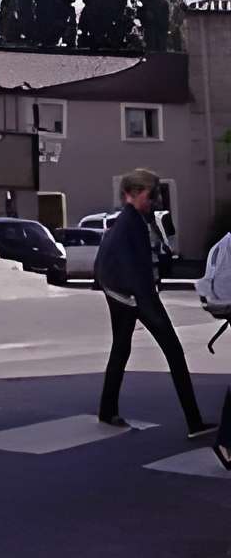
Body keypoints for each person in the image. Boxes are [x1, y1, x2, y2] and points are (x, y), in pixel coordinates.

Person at [94, 168, 215, 443]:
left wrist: (113, 291)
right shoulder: (132, 224)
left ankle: (107, 410)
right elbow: (138, 272)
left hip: (122, 296)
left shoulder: (126, 221)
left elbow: (103, 264)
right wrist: (147, 304)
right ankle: (194, 421)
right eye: (151, 195)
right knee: (174, 351)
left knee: (121, 349)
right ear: (133, 194)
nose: (155, 201)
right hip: (137, 297)